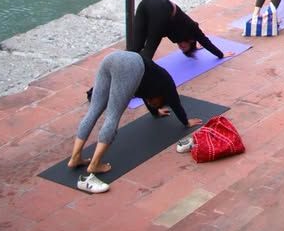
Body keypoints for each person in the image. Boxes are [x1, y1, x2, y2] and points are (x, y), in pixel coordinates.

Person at [68, 50, 202, 194]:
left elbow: (147, 97)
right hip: (129, 65)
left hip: (112, 58)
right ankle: (94, 164)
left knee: (93, 111)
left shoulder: (148, 84)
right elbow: (175, 101)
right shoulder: (166, 82)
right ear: (163, 96)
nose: (152, 104)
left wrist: (156, 112)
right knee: (112, 115)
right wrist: (186, 122)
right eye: (157, 104)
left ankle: (75, 158)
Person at [132, 0, 228, 61]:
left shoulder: (176, 36)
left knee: (135, 47)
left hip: (148, 4)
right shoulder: (192, 28)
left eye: (181, 49)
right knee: (149, 51)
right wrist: (221, 55)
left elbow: (152, 31)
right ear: (191, 41)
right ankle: (138, 80)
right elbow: (205, 42)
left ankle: (126, 72)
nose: (181, 47)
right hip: (158, 6)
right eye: (185, 47)